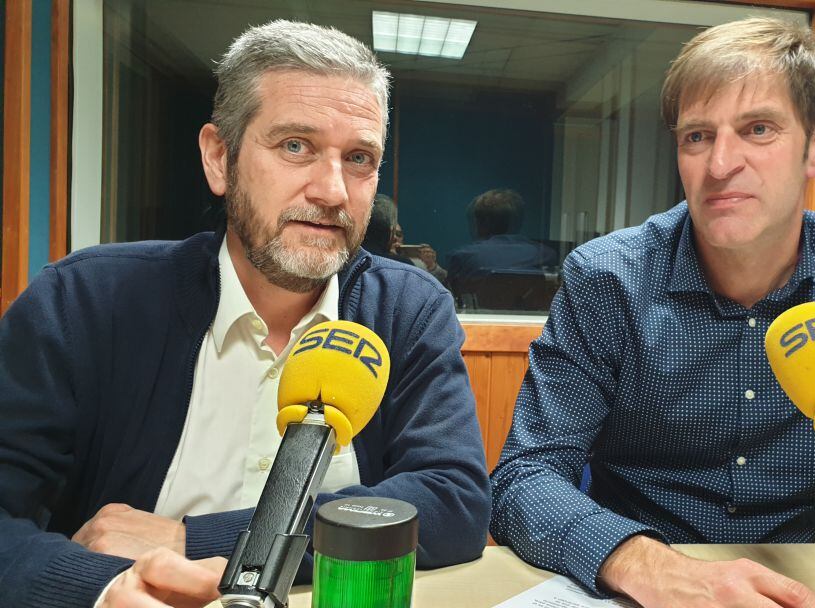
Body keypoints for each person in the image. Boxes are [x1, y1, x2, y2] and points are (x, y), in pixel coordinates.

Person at [489, 18, 815, 608]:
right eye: (697, 136)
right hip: (638, 590)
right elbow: (526, 477)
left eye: (758, 129)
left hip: (802, 591)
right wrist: (650, 567)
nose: (721, 164)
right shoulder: (607, 276)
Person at [0, 20, 490, 608]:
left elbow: (451, 503)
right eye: (295, 146)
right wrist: (102, 590)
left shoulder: (408, 309)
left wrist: (195, 539)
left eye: (359, 157)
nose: (333, 191)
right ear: (218, 158)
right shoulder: (83, 301)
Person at [446, 189, 558, 309]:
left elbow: (452, 302)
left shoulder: (462, 257)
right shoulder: (547, 256)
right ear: (518, 222)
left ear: (480, 222)